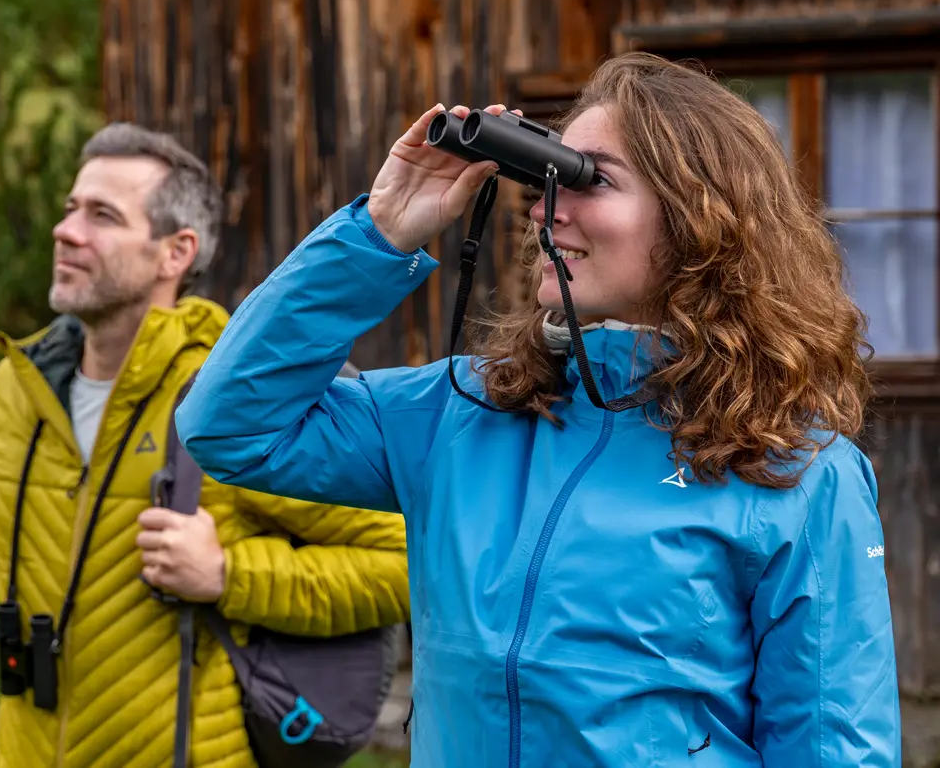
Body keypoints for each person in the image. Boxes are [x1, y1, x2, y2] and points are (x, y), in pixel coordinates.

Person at [175, 52, 901, 767]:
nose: (549, 207)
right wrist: (380, 230)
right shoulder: (459, 411)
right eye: (546, 176)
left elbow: (835, 748)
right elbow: (232, 424)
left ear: (700, 219)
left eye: (591, 180)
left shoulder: (796, 470)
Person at [0, 122, 410, 768]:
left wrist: (231, 576)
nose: (66, 230)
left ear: (174, 253)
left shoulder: (228, 400)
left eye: (102, 215)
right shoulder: (16, 392)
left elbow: (404, 564)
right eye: (69, 209)